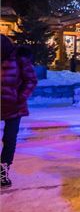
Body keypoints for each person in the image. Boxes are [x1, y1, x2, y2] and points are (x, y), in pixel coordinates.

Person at [1, 35, 38, 187]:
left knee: (9, 139)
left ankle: (3, 170)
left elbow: (31, 80)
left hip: (14, 106)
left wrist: (20, 97)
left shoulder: (18, 59)